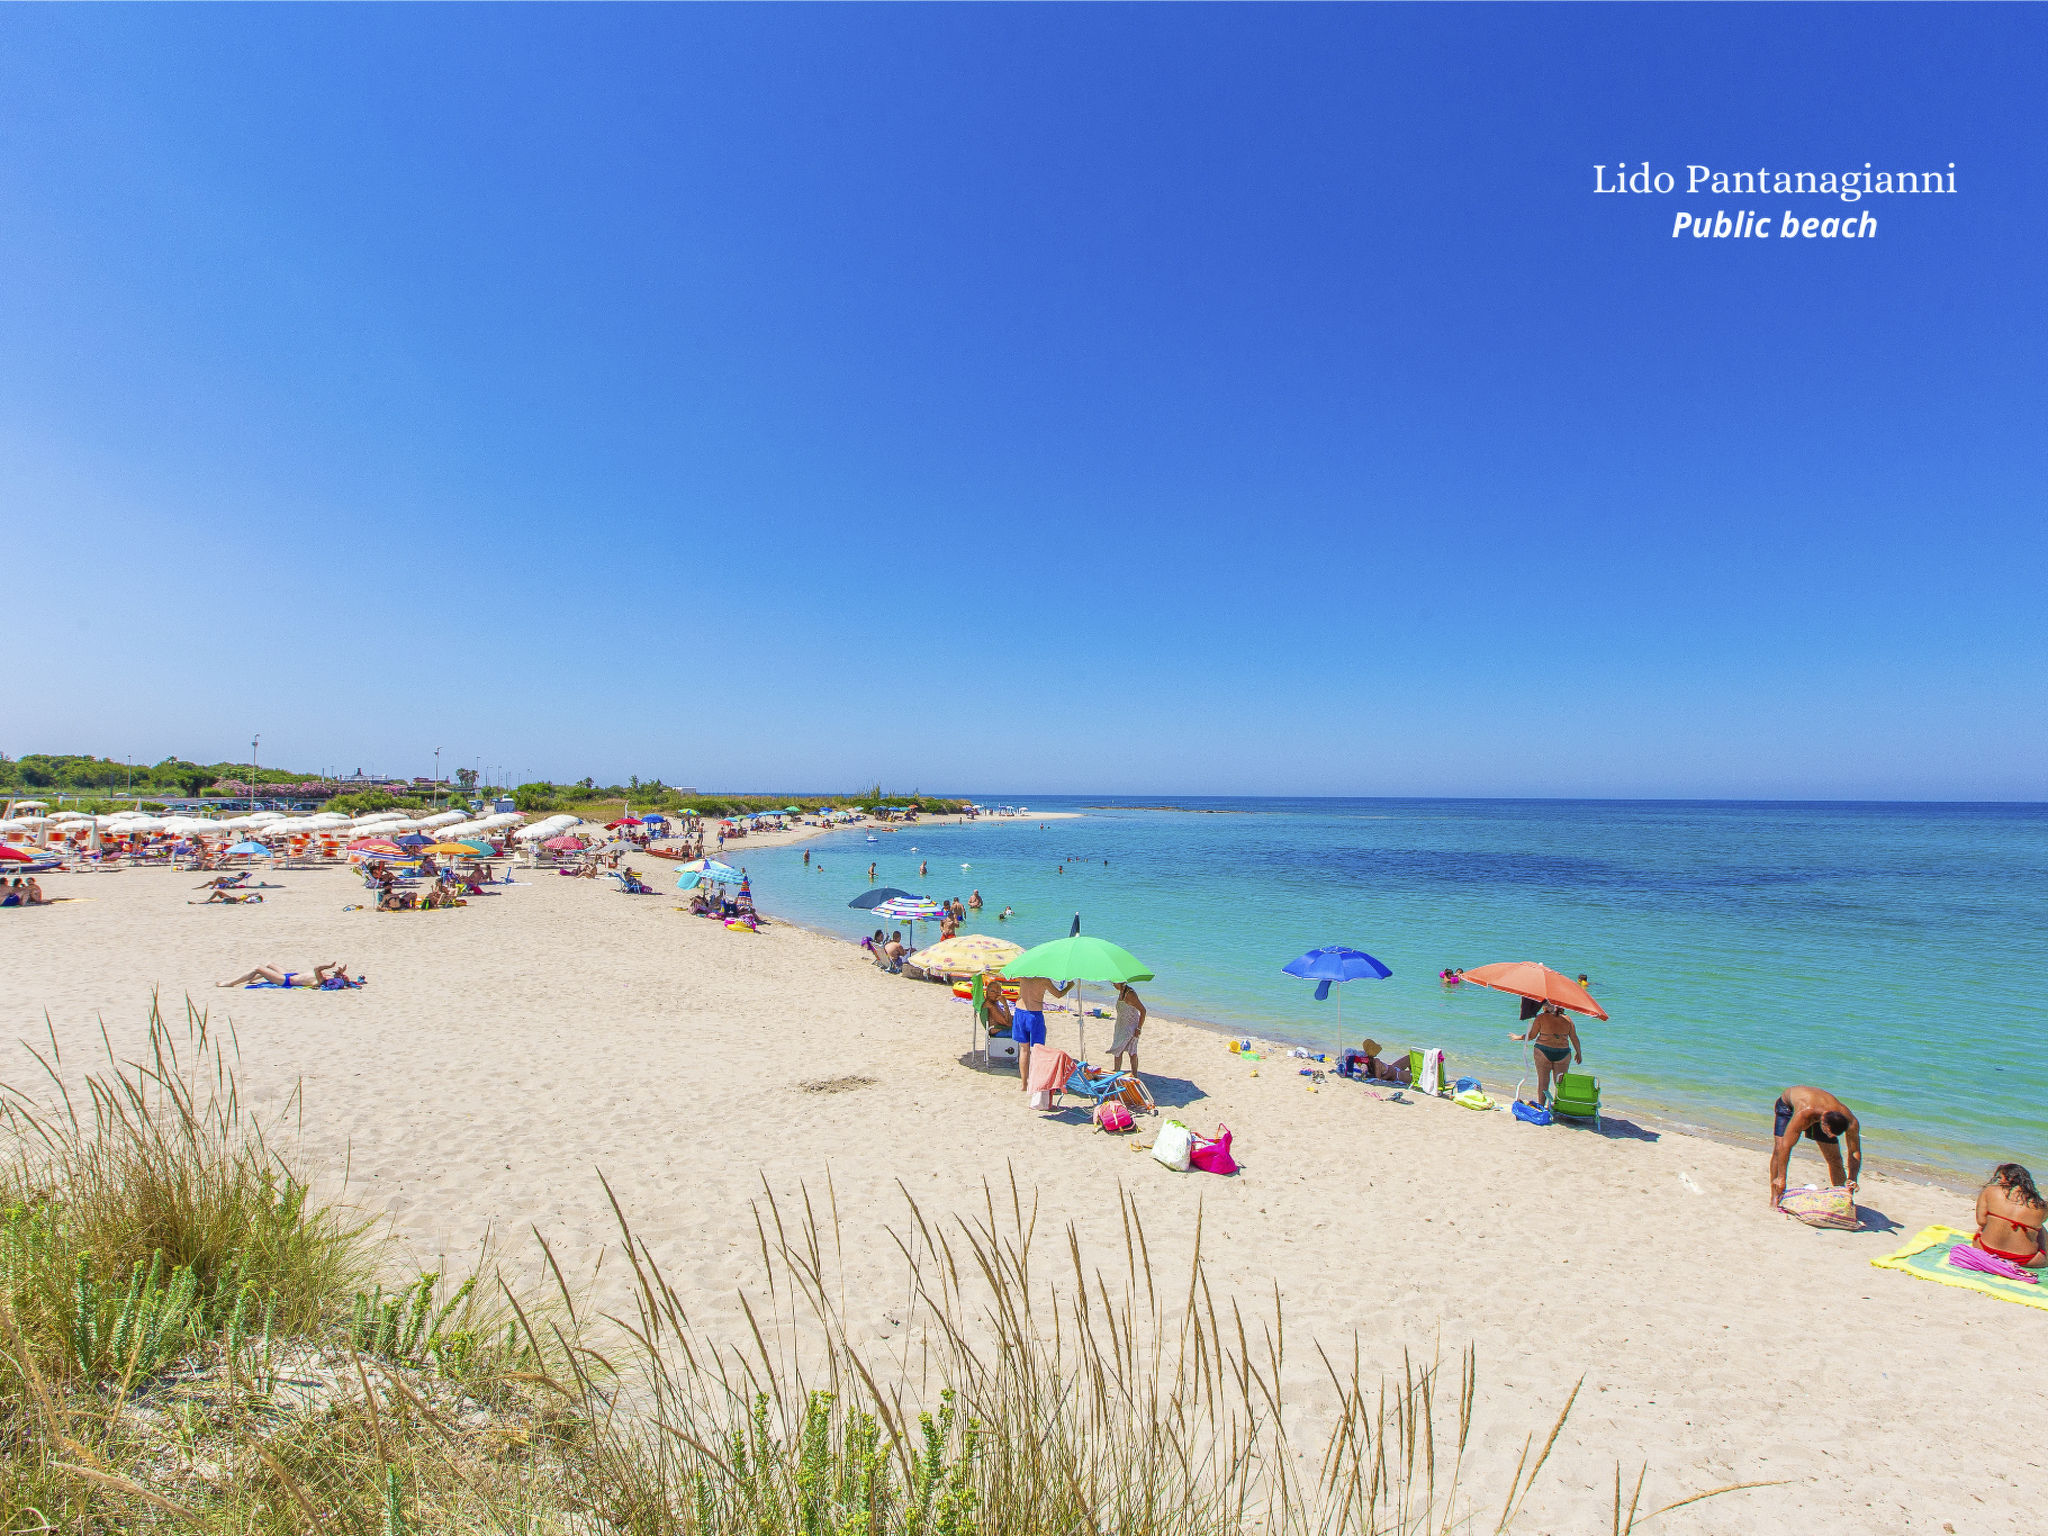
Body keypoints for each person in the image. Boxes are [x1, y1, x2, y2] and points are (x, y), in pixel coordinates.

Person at [1768, 1086, 1862, 1208]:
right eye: (1827, 1133)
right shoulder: (1804, 1112)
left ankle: (1841, 1198)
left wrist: (1852, 1180)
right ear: (1823, 1122)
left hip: (1822, 1112)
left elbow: (1854, 1152)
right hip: (1788, 1107)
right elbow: (1786, 1146)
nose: (1829, 1136)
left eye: (1831, 1135)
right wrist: (1782, 1177)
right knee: (1779, 1149)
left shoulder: (1851, 1122)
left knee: (1835, 1159)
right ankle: (1775, 1196)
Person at [1010, 974, 1072, 1095]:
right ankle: (1035, 1083)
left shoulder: (1023, 976)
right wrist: (1070, 986)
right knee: (1037, 1051)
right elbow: (1058, 994)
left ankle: (1024, 1084)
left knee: (1024, 1050)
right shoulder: (1044, 980)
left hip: (1020, 1012)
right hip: (1034, 1014)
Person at [1975, 1164, 2046, 1267]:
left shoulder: (1990, 1190)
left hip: (1986, 1250)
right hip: (2025, 1260)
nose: (1999, 1181)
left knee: (1986, 1224)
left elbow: (1981, 1221)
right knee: (2040, 1228)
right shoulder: (2041, 1205)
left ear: (2010, 1178)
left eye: (2000, 1178)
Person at [1510, 1003, 1581, 1103]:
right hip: (1563, 1053)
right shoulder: (1568, 1019)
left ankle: (1541, 1106)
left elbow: (1532, 1036)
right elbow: (1574, 1038)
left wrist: (1518, 1037)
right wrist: (1578, 1053)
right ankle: (1559, 1105)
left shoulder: (1541, 1017)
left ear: (1546, 1007)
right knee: (1560, 1083)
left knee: (1543, 1081)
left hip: (1543, 1051)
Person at [217, 961, 362, 989]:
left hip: (286, 981)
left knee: (257, 968)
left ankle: (230, 983)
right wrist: (340, 972)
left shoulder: (320, 981)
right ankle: (249, 979)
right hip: (291, 974)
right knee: (269, 964)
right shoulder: (327, 978)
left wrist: (329, 966)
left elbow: (316, 968)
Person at [1111, 982, 1147, 1075]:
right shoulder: (1121, 992)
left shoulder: (1130, 994)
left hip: (1131, 1028)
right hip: (1121, 1027)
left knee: (1131, 1052)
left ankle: (1134, 1075)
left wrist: (1139, 1028)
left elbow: (1143, 1011)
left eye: (1114, 983)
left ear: (1121, 982)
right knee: (1118, 1050)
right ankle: (1116, 1073)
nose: (1113, 985)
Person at [1343, 1038, 1410, 1083]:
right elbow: (1379, 1079)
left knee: (1409, 1057)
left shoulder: (1367, 1061)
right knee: (1414, 1074)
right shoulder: (1376, 1062)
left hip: (1394, 1068)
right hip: (1397, 1075)